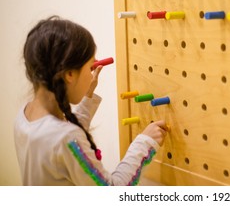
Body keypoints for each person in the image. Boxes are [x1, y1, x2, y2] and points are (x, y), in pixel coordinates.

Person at [14, 15, 169, 185]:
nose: (92, 74)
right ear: (70, 75)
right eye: (90, 67)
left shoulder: (25, 115)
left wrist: (87, 97)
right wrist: (144, 143)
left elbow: (60, 136)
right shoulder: (66, 138)